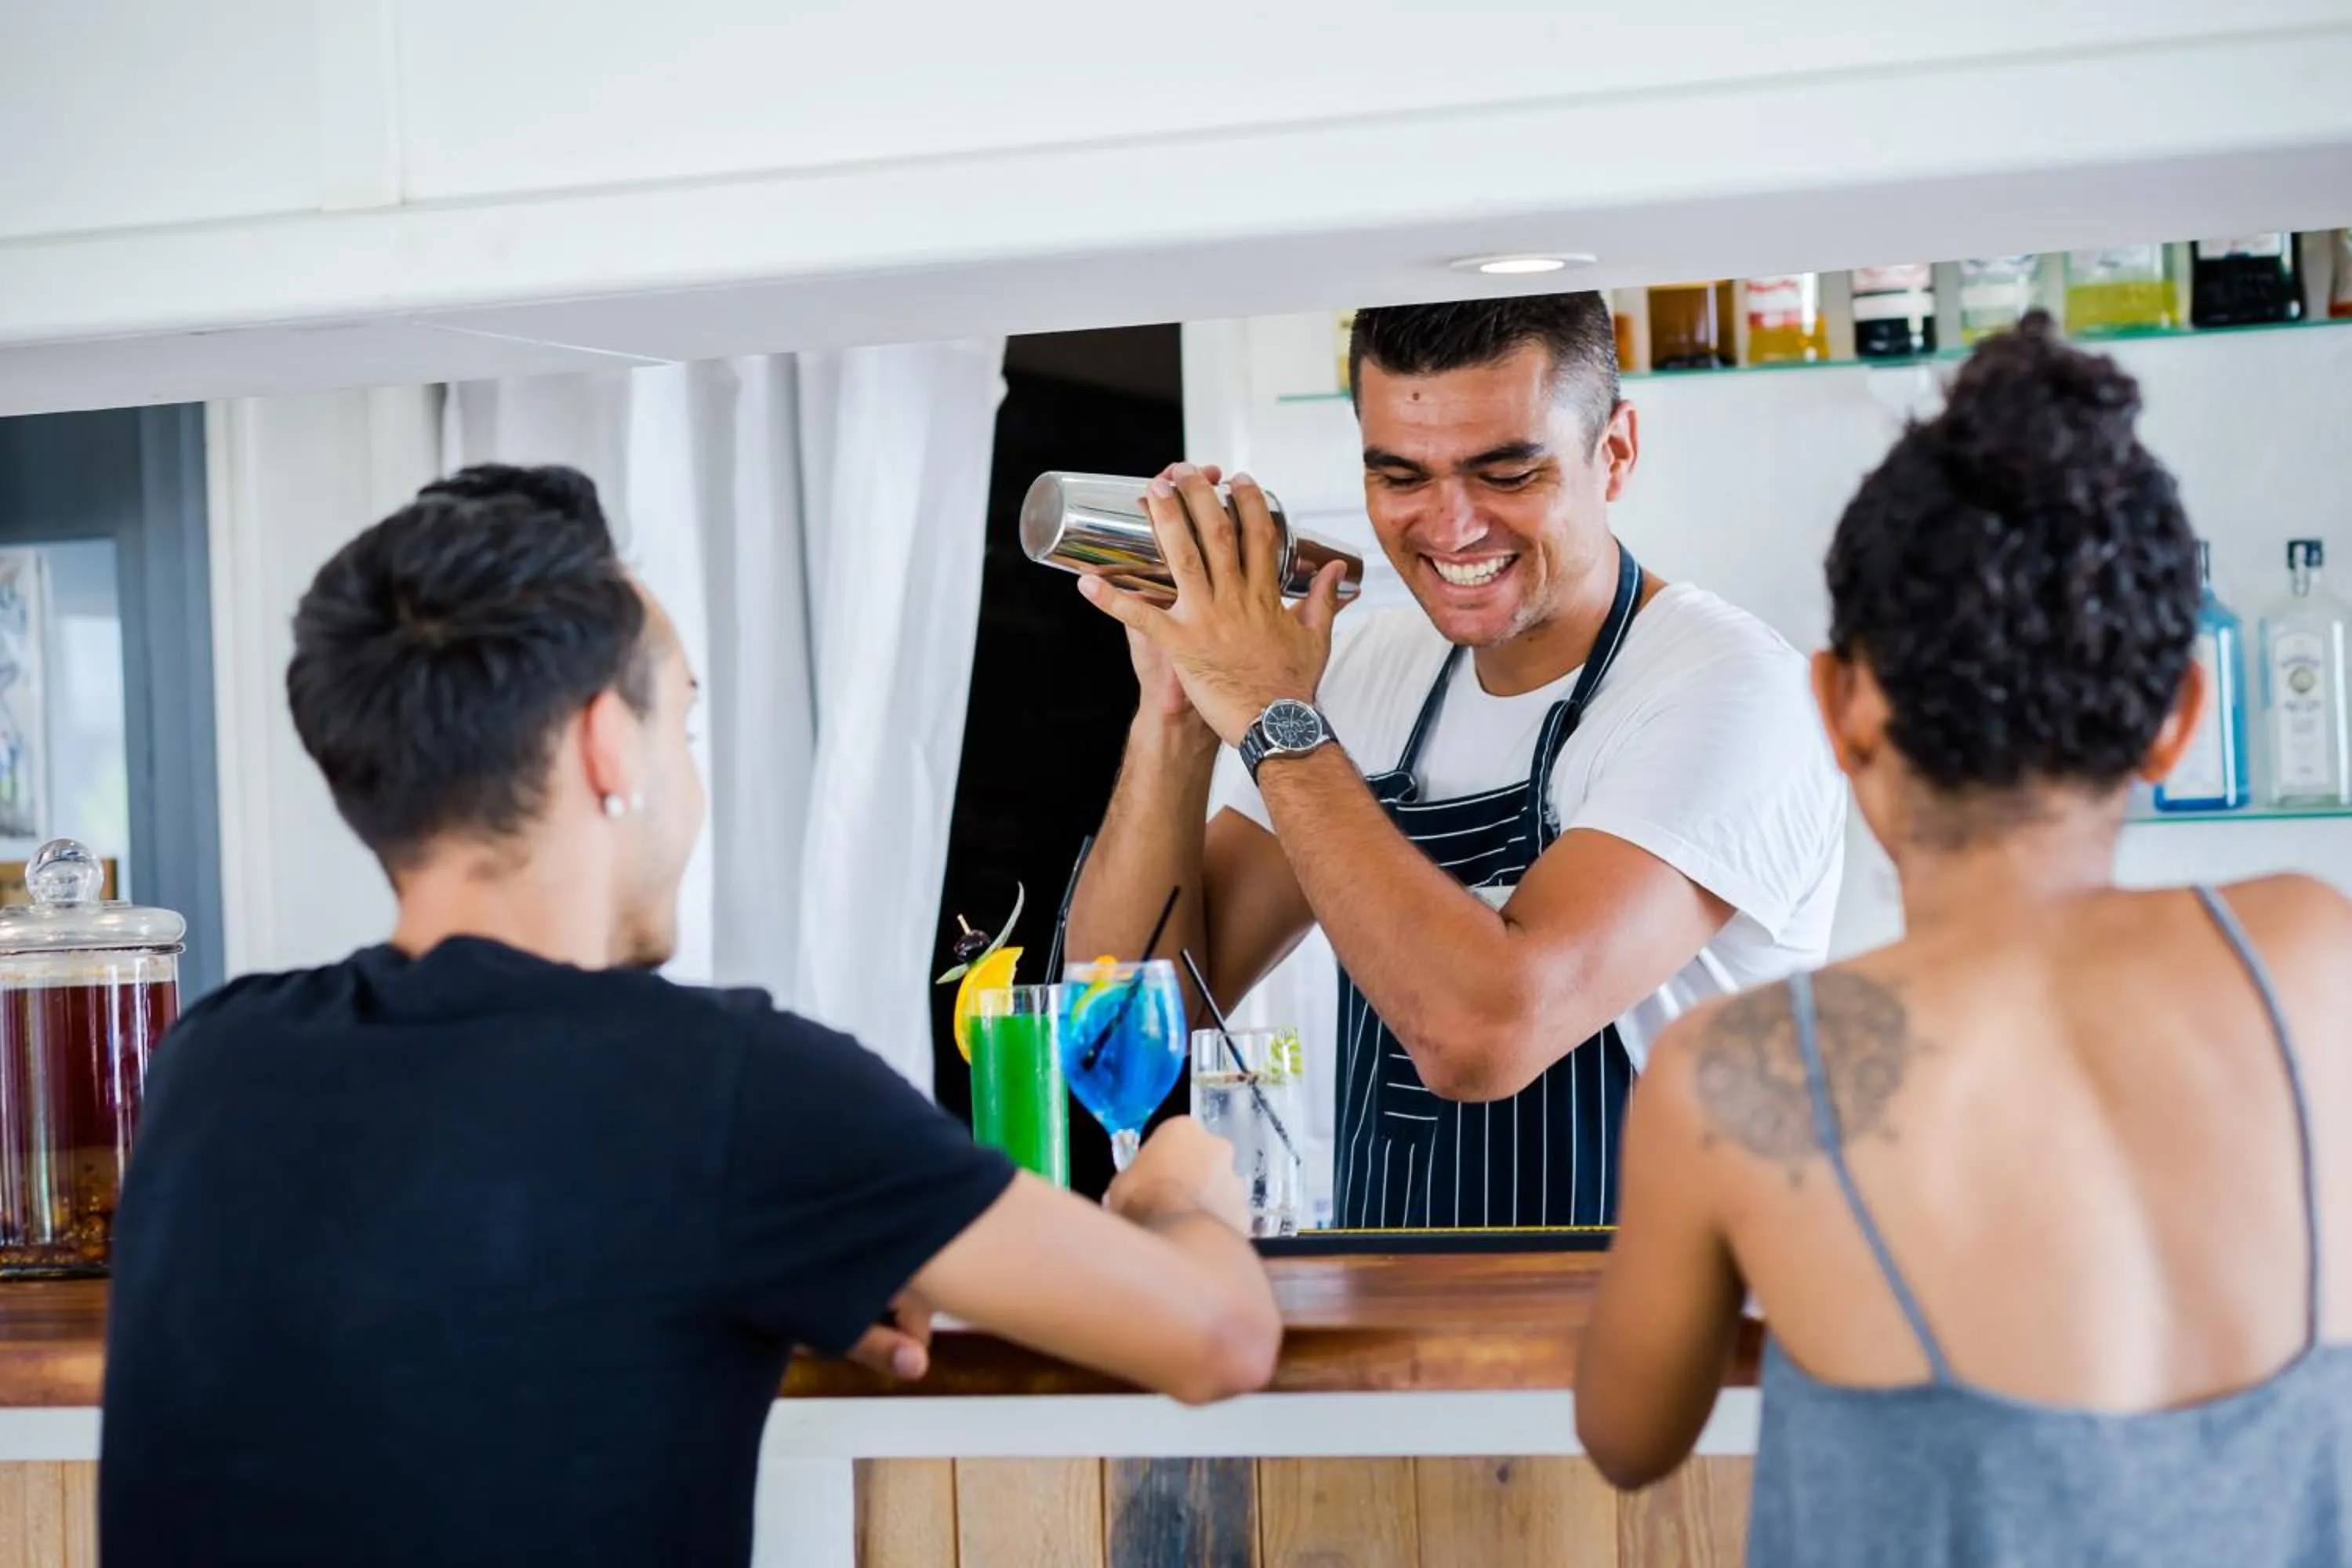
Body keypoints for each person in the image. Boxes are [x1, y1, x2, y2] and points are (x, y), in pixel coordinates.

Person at [100, 465, 1282, 1568]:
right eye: (685, 723)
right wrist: (1177, 1195)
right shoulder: (732, 1087)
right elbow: (1217, 1338)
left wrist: (791, 1252)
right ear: (611, 744)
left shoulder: (214, 1061)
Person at [1578, 316, 2350, 1563]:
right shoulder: (2319, 961)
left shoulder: (1741, 1075)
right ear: (2180, 719)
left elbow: (1627, 1434)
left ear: (1839, 708)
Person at [1067, 294, 1847, 1229]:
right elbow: (1127, 1032)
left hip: (1650, 1337)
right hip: (1397, 1327)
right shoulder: (1365, 674)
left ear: (1617, 451)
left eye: (1508, 472)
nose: (1451, 525)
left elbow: (1482, 1033)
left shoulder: (1728, 689)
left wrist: (1276, 717)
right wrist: (1181, 712)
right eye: (1401, 476)